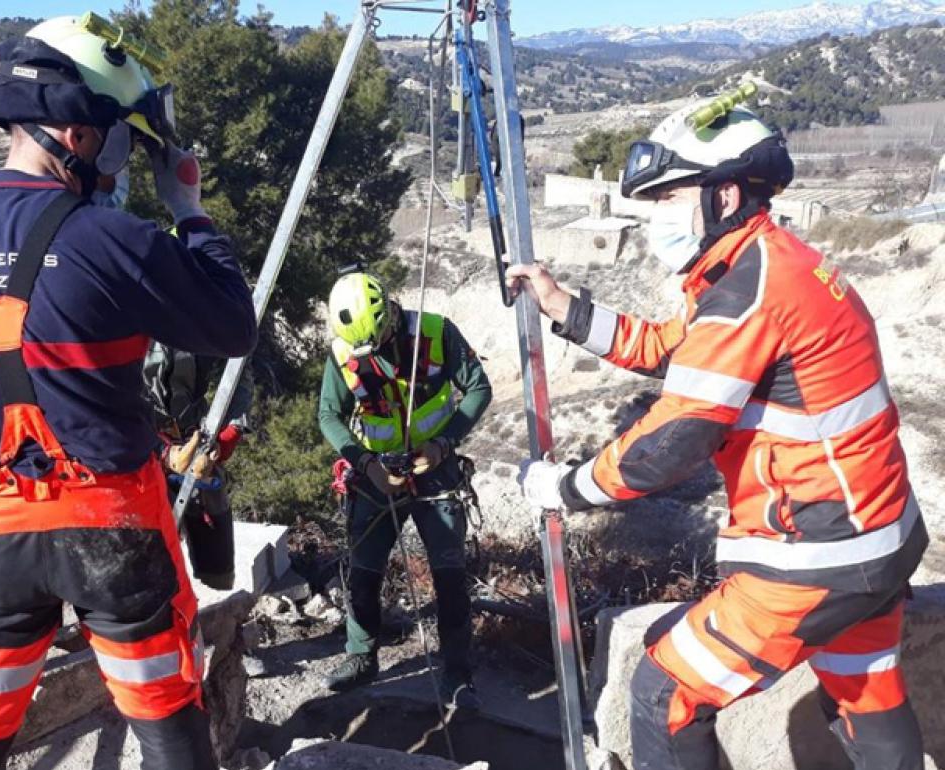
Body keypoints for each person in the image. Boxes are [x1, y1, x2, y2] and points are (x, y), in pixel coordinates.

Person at [0, 15, 256, 770]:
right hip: (116, 528)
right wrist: (190, 213)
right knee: (168, 722)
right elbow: (233, 325)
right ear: (76, 134)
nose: (125, 157)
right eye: (120, 136)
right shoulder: (117, 239)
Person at [511, 96, 927, 770]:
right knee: (866, 700)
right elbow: (669, 347)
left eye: (670, 198)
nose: (656, 219)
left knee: (664, 692)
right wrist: (566, 309)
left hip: (812, 559)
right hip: (879, 541)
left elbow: (670, 443)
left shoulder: (748, 293)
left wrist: (565, 487)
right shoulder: (768, 265)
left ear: (725, 194)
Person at [318, 271, 491, 708]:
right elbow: (329, 416)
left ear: (391, 317)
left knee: (449, 574)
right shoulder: (344, 351)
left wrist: (442, 444)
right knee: (364, 569)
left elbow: (477, 389)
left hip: (436, 471)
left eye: (377, 344)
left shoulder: (435, 333)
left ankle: (456, 671)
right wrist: (366, 464)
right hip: (378, 476)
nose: (371, 355)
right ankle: (361, 657)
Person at [144, 339, 254, 590]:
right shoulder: (119, 314)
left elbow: (239, 361)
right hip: (139, 450)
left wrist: (231, 431)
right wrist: (160, 450)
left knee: (218, 569)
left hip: (195, 444)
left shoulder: (196, 306)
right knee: (150, 577)